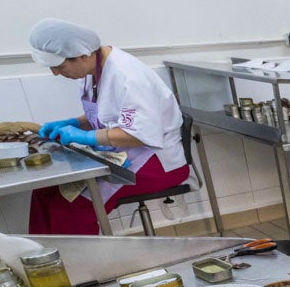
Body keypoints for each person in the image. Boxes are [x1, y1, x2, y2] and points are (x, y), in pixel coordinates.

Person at [28, 19, 187, 234]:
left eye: (59, 66)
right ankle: (44, 260)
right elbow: (107, 111)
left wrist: (87, 137)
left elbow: (139, 134)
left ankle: (82, 265)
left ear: (84, 55)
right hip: (121, 155)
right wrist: (75, 123)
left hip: (155, 162)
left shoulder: (128, 76)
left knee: (70, 207)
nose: (55, 73)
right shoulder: (92, 70)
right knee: (44, 191)